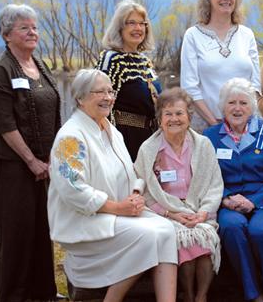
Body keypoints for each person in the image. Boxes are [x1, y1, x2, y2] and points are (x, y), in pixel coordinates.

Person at [48, 69, 177, 302]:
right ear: (80, 97)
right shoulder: (71, 137)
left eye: (111, 91)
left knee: (166, 230)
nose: (108, 97)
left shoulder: (110, 130)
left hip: (117, 212)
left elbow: (130, 172)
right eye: (100, 92)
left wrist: (136, 195)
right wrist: (118, 208)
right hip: (84, 219)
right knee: (148, 236)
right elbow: (74, 190)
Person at [0, 4, 61, 302]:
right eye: (24, 28)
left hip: (43, 162)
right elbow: (5, 124)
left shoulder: (39, 64)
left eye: (34, 27)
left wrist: (51, 158)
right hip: (13, 163)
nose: (33, 32)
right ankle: (13, 295)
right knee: (16, 231)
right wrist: (31, 161)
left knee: (41, 227)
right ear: (7, 34)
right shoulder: (1, 69)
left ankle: (43, 292)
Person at [204, 78, 263, 302]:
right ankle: (253, 293)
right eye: (231, 103)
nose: (237, 108)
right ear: (222, 107)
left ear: (252, 107)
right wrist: (224, 199)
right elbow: (205, 179)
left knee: (260, 231)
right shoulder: (209, 137)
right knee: (232, 227)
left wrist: (254, 201)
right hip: (228, 200)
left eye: (243, 102)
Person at [135, 87, 224, 302]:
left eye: (179, 113)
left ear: (189, 117)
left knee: (204, 239)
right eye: (168, 114)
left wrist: (203, 213)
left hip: (199, 212)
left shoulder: (203, 145)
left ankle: (201, 296)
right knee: (184, 241)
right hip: (167, 215)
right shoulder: (148, 150)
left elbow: (215, 184)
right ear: (159, 118)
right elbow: (144, 193)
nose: (174, 119)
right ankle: (189, 295)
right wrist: (170, 213)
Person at [181, 0, 260, 132]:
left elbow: (256, 84)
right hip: (208, 126)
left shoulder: (246, 34)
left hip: (247, 125)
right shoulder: (193, 35)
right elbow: (189, 87)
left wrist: (241, 121)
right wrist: (215, 124)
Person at [96, 0, 161, 161]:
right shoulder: (111, 59)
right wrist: (110, 145)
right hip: (124, 139)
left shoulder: (145, 61)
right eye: (131, 23)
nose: (138, 28)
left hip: (149, 139)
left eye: (142, 23)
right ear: (120, 27)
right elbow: (100, 103)